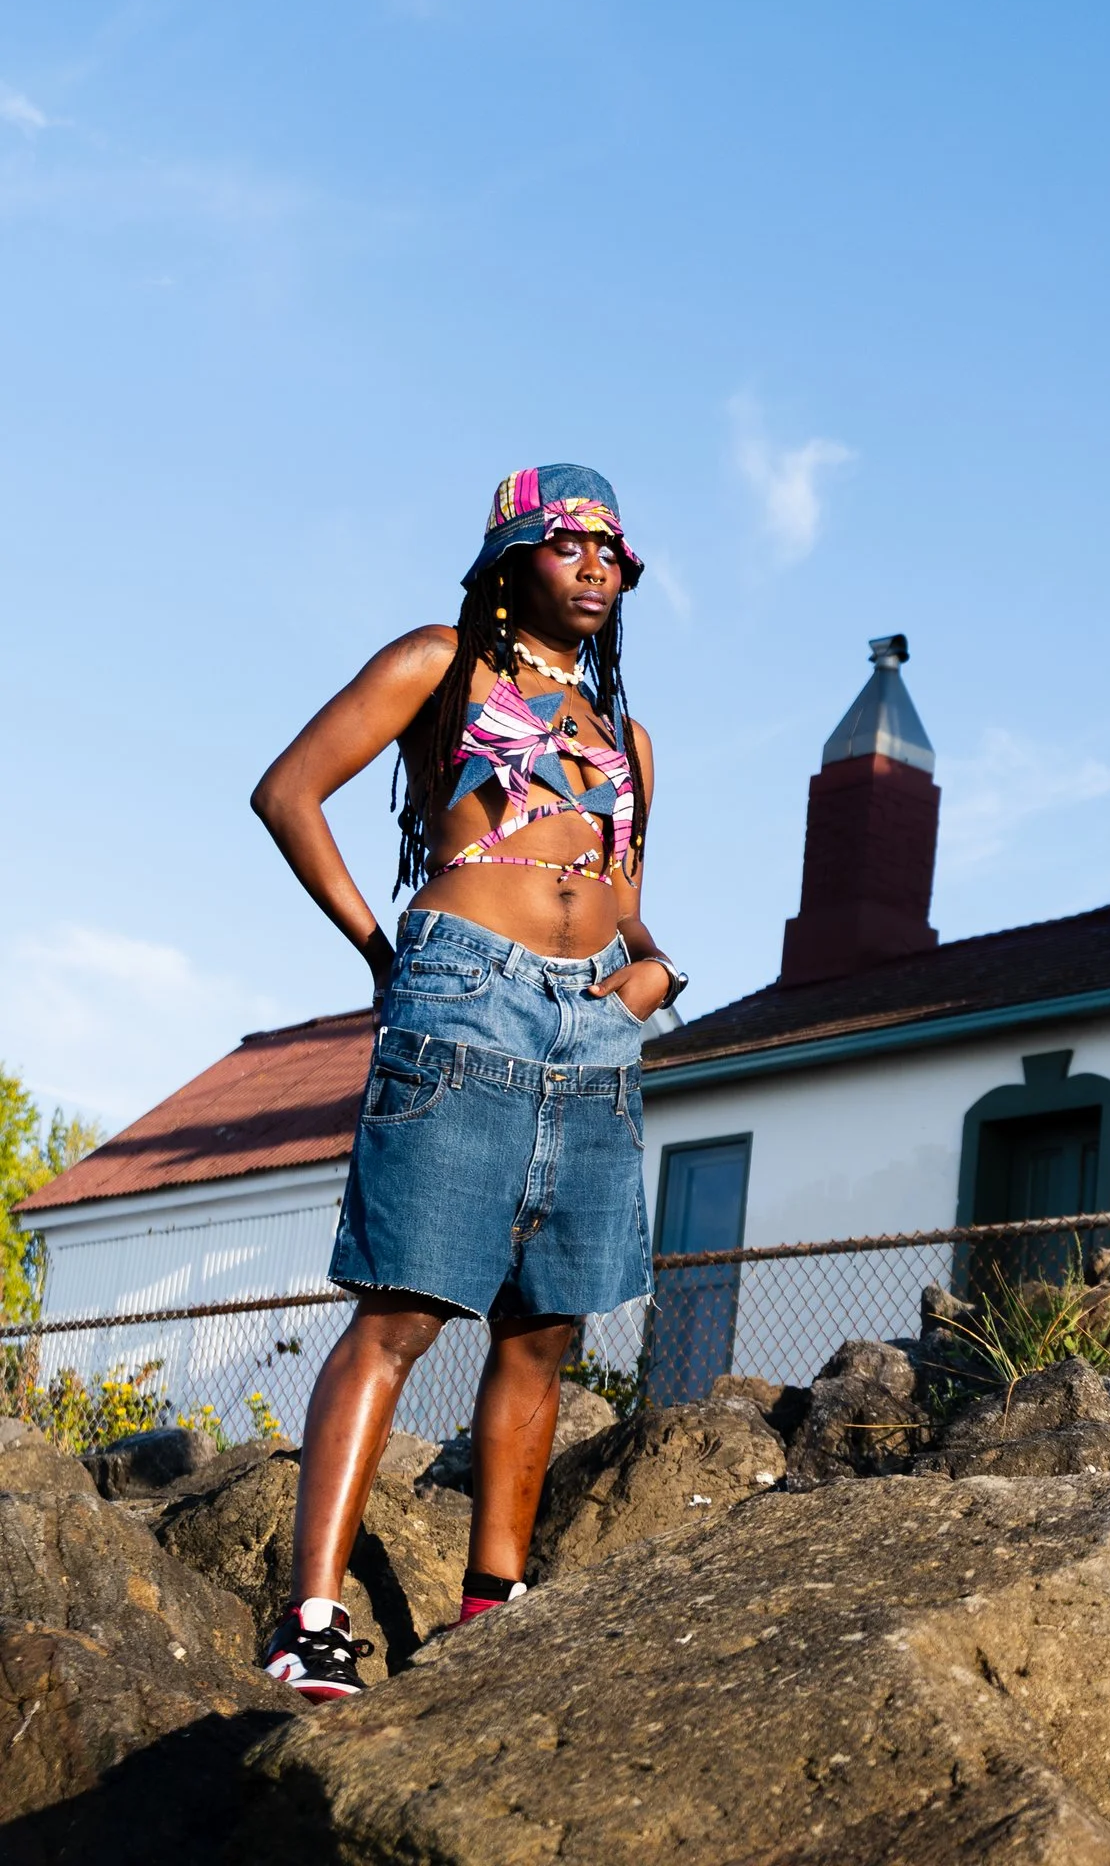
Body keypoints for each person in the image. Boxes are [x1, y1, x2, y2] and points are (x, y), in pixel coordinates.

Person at [248, 464, 686, 1699]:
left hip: (596, 1019)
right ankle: (315, 1614)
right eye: (570, 544)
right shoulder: (441, 663)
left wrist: (652, 978)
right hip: (465, 991)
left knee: (545, 1328)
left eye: (617, 553)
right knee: (400, 1311)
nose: (598, 566)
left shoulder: (629, 739)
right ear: (513, 558)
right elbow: (288, 792)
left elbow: (634, 911)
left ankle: (492, 1607)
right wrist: (387, 954)